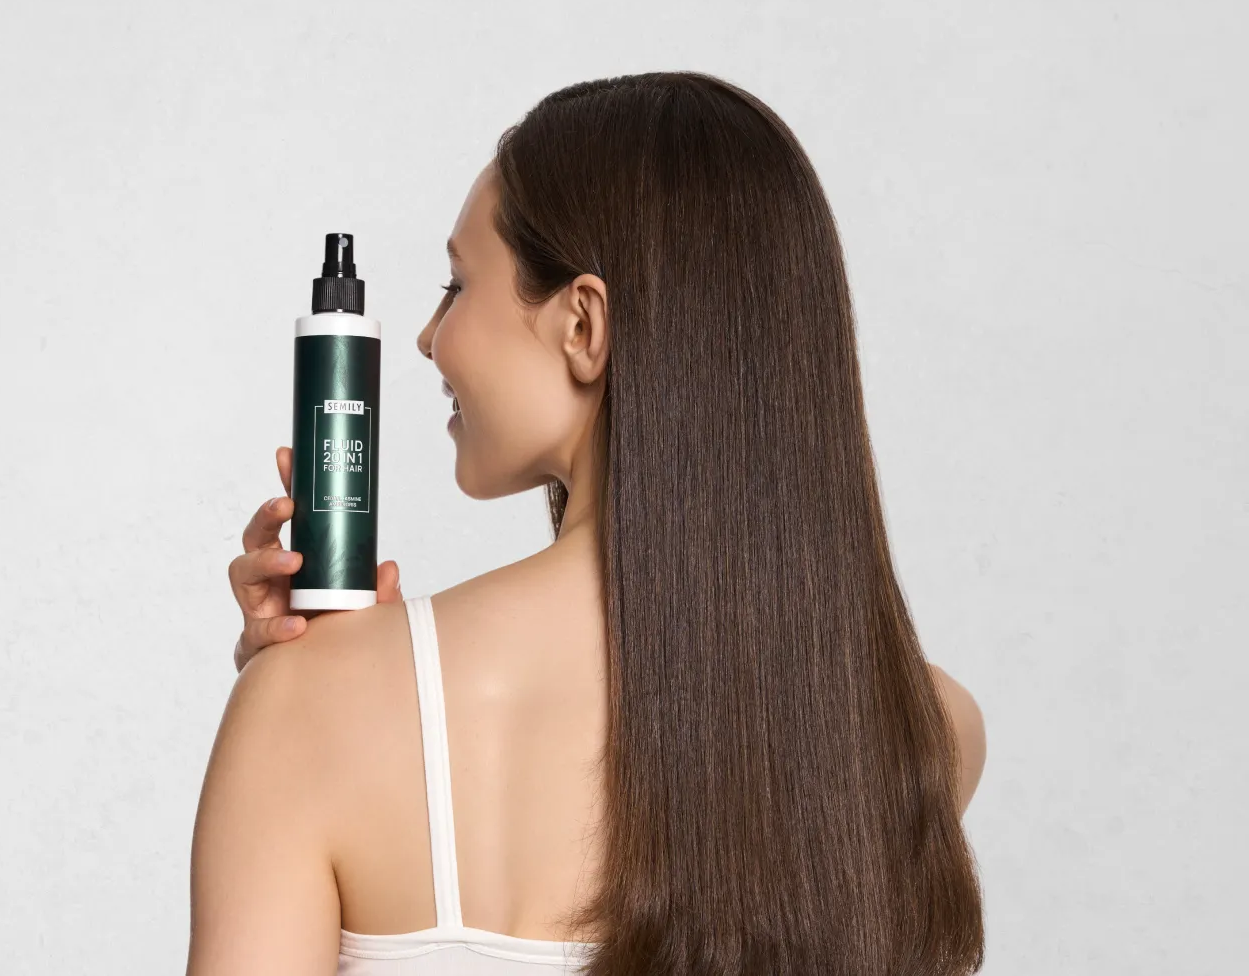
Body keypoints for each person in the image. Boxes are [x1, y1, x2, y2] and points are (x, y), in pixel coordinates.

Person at [187, 73, 989, 976]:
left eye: (457, 285)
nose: (427, 337)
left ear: (584, 326)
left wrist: (302, 701)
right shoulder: (921, 732)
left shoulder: (314, 706)